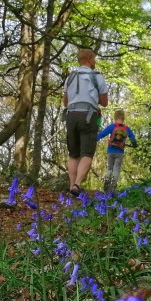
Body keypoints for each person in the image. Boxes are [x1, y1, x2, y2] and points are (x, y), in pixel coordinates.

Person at [62, 48, 109, 194]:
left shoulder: (70, 77)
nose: (95, 62)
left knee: (73, 154)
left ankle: (71, 186)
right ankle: (77, 184)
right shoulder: (97, 77)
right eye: (94, 59)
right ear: (89, 58)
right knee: (87, 153)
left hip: (70, 116)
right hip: (88, 116)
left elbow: (65, 102)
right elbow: (104, 102)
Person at [96, 108, 137, 191]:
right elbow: (132, 138)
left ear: (115, 118)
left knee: (109, 168)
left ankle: (107, 183)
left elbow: (103, 133)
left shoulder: (112, 126)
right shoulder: (126, 129)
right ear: (123, 118)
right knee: (116, 168)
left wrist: (95, 138)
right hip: (120, 152)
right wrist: (134, 144)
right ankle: (113, 185)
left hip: (111, 151)